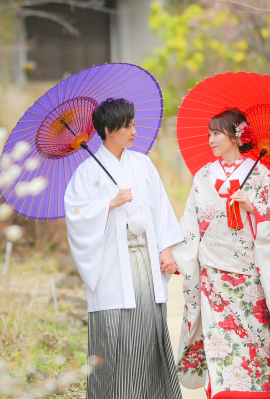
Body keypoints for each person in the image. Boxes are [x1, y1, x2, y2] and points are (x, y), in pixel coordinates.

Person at [64, 97, 184, 399]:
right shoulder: (87, 172)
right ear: (108, 129)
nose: (133, 131)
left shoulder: (142, 163)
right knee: (114, 333)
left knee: (147, 328)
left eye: (133, 124)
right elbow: (75, 215)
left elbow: (160, 209)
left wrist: (165, 250)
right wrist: (109, 203)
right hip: (110, 266)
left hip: (143, 257)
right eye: (127, 125)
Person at [172, 108, 270, 399]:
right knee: (219, 342)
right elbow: (190, 220)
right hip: (213, 271)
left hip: (250, 272)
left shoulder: (260, 173)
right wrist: (177, 255)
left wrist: (254, 207)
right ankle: (223, 393)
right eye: (209, 134)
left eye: (216, 133)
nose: (210, 139)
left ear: (236, 135)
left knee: (254, 339)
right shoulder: (203, 175)